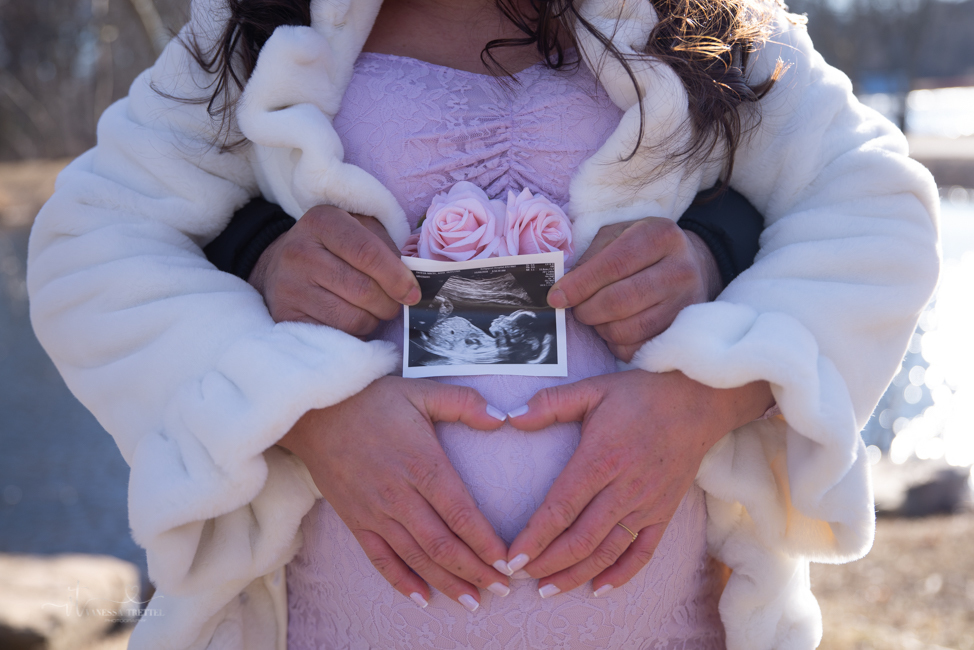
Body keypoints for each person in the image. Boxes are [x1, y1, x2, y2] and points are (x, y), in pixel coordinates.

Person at [26, 0, 940, 648]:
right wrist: (295, 402)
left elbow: (875, 208)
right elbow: (94, 242)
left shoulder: (702, 17)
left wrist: (707, 389)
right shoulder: (255, 24)